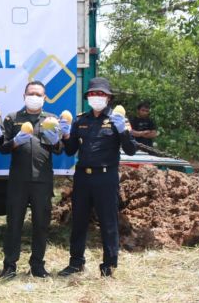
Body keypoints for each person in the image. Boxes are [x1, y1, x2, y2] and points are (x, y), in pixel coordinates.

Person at [58, 76, 136, 278]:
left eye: (101, 94)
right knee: (79, 222)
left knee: (108, 223)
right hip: (83, 177)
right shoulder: (81, 120)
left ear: (108, 97)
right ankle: (76, 263)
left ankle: (109, 266)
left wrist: (123, 132)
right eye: (93, 94)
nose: (96, 97)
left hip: (106, 177)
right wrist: (65, 135)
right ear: (88, 97)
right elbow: (70, 150)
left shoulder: (118, 120)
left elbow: (131, 150)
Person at [0, 81, 62, 280]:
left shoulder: (52, 119)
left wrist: (56, 141)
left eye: (38, 94)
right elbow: (3, 147)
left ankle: (37, 266)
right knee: (14, 223)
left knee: (41, 224)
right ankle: (9, 266)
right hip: (18, 180)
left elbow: (60, 149)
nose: (34, 96)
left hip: (42, 181)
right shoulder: (12, 118)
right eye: (30, 93)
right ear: (24, 95)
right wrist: (15, 142)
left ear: (44, 97)